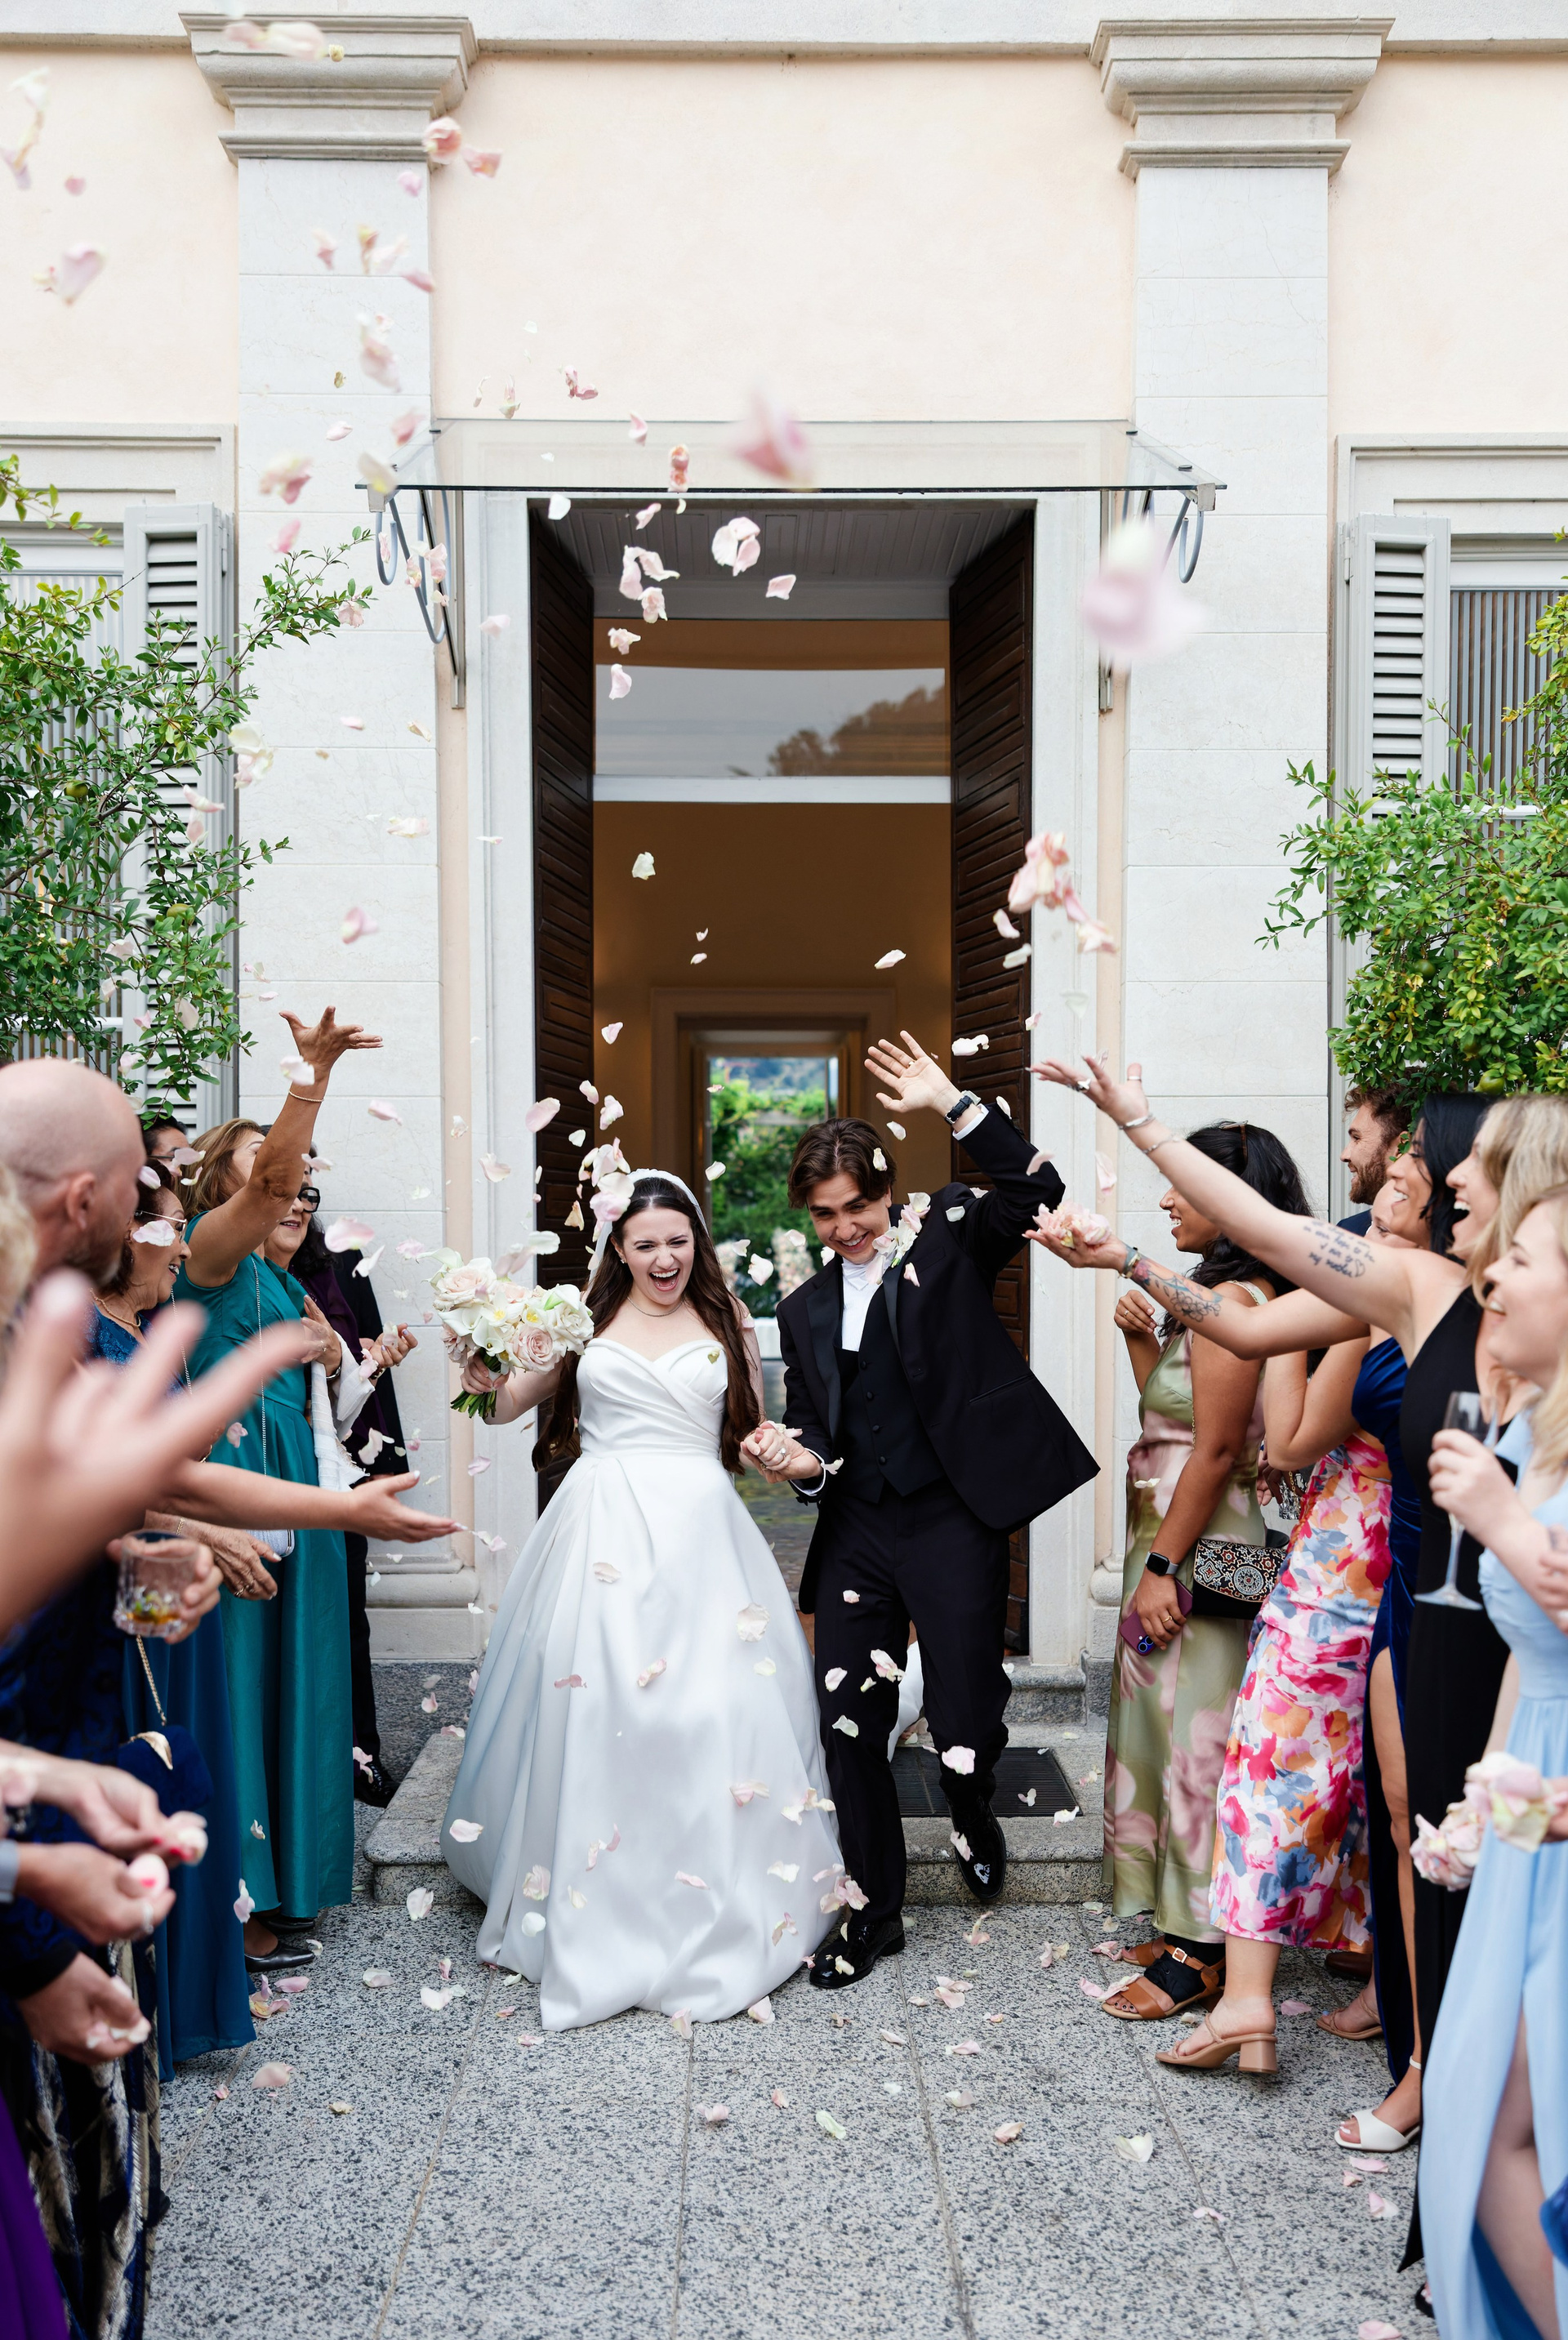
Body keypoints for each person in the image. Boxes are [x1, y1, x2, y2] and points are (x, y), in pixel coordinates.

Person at [442, 1173, 841, 2029]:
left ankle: (716, 1890)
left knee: (712, 1709)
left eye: (678, 1241)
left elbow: (751, 1428)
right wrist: (476, 1368)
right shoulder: (578, 1322)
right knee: (599, 1703)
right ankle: (598, 1893)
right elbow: (499, 1406)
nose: (664, 1258)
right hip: (602, 1531)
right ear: (618, 1250)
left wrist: (776, 1450)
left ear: (697, 1243)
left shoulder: (728, 1320)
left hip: (702, 1531)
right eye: (646, 1243)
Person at [749, 1034, 1098, 1990]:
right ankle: (873, 1912)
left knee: (965, 1714)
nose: (844, 1228)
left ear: (886, 1192)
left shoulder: (947, 1233)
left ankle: (971, 1800)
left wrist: (954, 1101)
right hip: (858, 1530)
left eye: (857, 1207)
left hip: (952, 1515)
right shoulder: (803, 1310)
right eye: (825, 1214)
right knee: (847, 1722)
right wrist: (798, 1464)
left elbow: (1039, 1188)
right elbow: (816, 1434)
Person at [1034, 1121, 1307, 2019]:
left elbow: (1218, 1449)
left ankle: (1204, 1951)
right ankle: (1179, 1917)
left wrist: (1160, 1568)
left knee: (1200, 1740)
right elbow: (1179, 1416)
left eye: (1183, 1186)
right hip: (1171, 1535)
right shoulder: (1210, 1299)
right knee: (1163, 1729)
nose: (1167, 1198)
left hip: (1200, 1548)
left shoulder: (1241, 1298)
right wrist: (1140, 1343)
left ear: (1233, 1200)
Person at [1152, 1202, 1418, 2075]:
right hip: (1391, 1556)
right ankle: (1384, 1982)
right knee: (1377, 1782)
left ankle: (1246, 2002)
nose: (1373, 1204)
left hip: (1337, 1572)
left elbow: (1293, 1437)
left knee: (1269, 1769)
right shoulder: (1447, 1292)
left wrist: (1301, 1324)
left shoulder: (1373, 1299)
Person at [176, 1005, 382, 1964]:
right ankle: (236, 1900)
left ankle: (290, 1880)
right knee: (240, 1687)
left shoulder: (281, 1280)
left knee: (298, 1686)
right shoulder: (211, 1256)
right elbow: (268, 1188)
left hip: (300, 1494)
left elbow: (318, 1402)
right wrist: (312, 1081)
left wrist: (337, 1356)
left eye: (298, 1174)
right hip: (235, 1498)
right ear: (221, 1184)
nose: (291, 1184)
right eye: (265, 1167)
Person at [1419, 1188, 1568, 2340]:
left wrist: (1505, 1523)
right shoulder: (1535, 1431)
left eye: (1521, 1257)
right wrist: (1485, 1801)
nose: (1495, 1279)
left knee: (1519, 2126)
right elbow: (1531, 1644)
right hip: (1536, 1797)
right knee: (1483, 2123)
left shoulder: (1511, 1477)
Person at [100, 1164, 271, 2059]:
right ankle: (152, 2006)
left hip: (168, 1581)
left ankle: (196, 1998)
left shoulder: (144, 1328)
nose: (183, 1246)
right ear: (127, 1234)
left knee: (188, 1758)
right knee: (151, 1754)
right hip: (122, 1580)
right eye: (172, 1228)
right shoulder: (87, 1337)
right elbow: (95, 1487)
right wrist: (200, 1528)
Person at [287, 1189, 416, 1804]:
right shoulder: (226, 1270)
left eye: (306, 1189)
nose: (297, 1201)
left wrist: (377, 1360)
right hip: (268, 1462)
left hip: (341, 1462)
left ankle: (361, 1753)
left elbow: (364, 1364)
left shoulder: (339, 1258)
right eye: (284, 1185)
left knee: (346, 1613)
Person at [1342, 1085, 1413, 1228]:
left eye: (1357, 1138)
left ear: (1402, 1147)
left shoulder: (1452, 1236)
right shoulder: (1349, 1229)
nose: (1344, 1155)